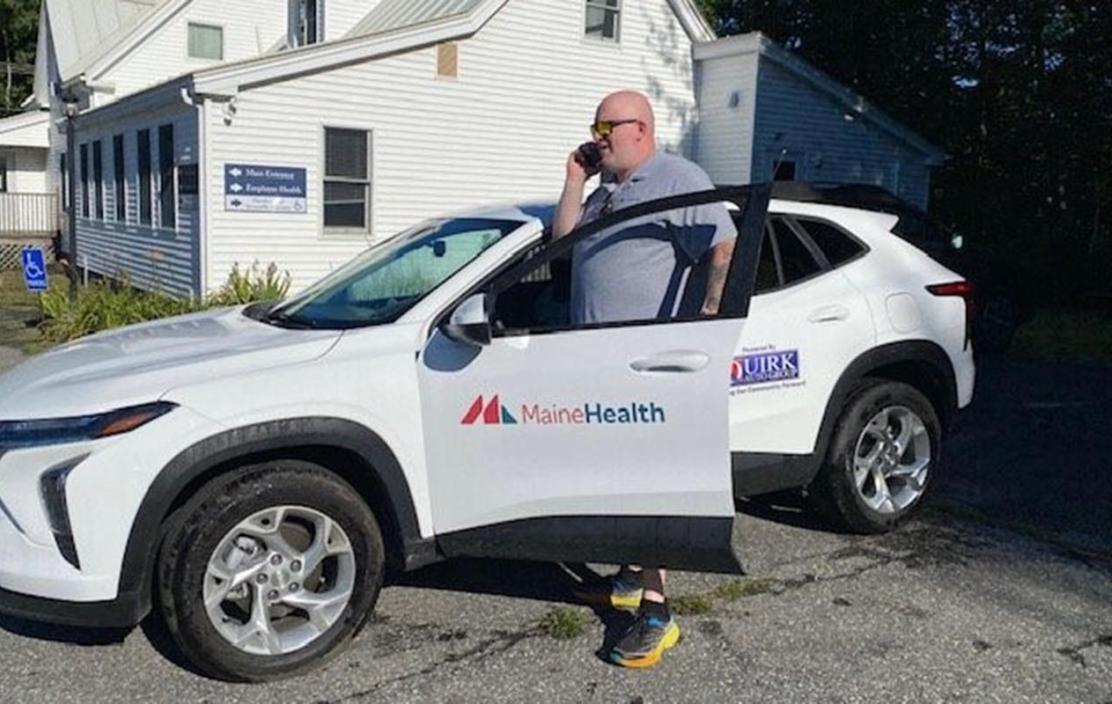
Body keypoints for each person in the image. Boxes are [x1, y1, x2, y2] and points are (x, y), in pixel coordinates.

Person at [555, 90, 737, 668]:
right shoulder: (607, 192)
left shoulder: (677, 176)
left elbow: (724, 242)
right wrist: (574, 181)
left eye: (607, 125)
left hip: (645, 363)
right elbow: (562, 247)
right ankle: (630, 579)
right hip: (596, 360)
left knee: (644, 482)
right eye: (595, 125)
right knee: (614, 479)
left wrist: (707, 318)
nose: (598, 135)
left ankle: (656, 612)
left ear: (642, 128)